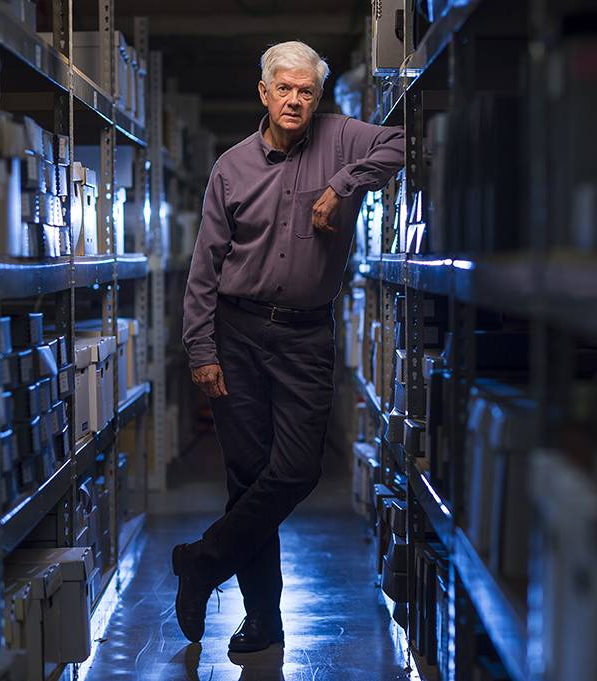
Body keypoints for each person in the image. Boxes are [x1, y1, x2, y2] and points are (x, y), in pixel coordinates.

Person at [176, 40, 404, 653]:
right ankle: (263, 621)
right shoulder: (230, 168)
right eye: (285, 88)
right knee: (249, 476)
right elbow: (205, 267)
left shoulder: (341, 137)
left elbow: (404, 140)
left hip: (306, 333)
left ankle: (203, 559)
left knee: (298, 469)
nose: (295, 100)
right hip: (237, 330)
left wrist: (346, 182)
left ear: (318, 96)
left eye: (306, 90)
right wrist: (201, 350)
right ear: (264, 92)